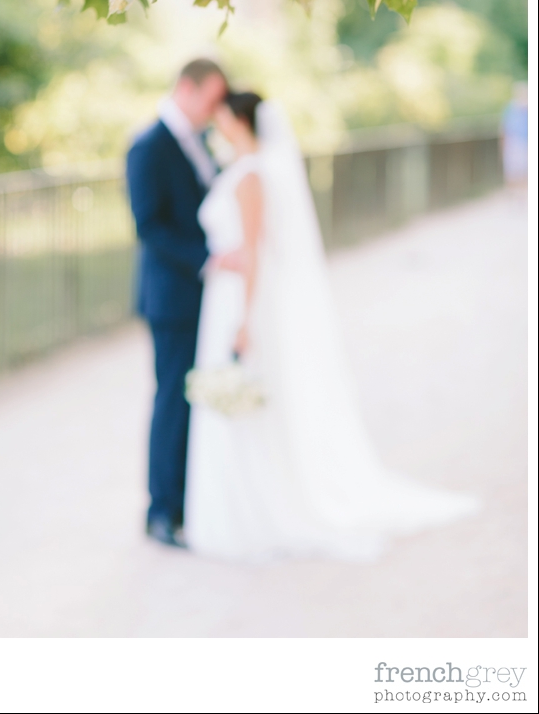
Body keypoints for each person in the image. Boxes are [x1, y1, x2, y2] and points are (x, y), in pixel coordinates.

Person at [184, 93, 479, 561]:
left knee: (252, 398)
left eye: (221, 118)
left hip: (238, 299)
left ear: (239, 121)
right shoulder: (243, 170)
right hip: (223, 294)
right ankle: (239, 502)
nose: (216, 126)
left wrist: (245, 317)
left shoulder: (251, 175)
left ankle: (258, 504)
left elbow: (257, 248)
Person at [126, 59, 228, 547]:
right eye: (211, 100)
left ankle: (190, 501)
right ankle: (161, 510)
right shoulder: (147, 146)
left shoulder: (202, 142)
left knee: (196, 397)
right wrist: (207, 259)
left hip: (206, 295)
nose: (215, 111)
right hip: (172, 297)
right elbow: (149, 225)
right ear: (187, 89)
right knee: (172, 400)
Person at [501, 82, 528, 190]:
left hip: (525, 142)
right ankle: (513, 193)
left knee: (525, 169)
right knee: (512, 170)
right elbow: (504, 128)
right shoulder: (510, 108)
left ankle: (523, 193)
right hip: (514, 142)